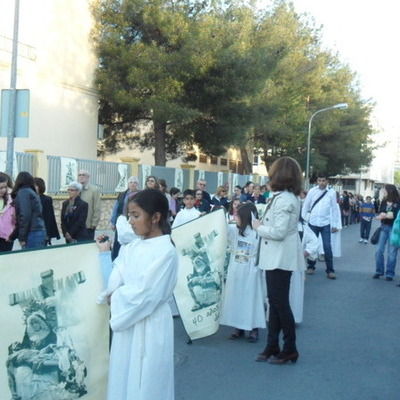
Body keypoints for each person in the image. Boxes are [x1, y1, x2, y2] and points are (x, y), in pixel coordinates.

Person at [96, 188, 178, 400]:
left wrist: (116, 297)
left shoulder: (165, 251)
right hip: (128, 323)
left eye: (136, 215)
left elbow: (147, 295)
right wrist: (105, 256)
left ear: (156, 217)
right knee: (123, 376)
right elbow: (117, 276)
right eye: (129, 215)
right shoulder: (132, 246)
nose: (130, 221)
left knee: (146, 382)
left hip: (150, 324)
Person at [252, 156, 305, 364]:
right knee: (274, 303)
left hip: (280, 256)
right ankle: (272, 345)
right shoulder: (284, 196)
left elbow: (278, 232)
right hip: (276, 256)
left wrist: (258, 227)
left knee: (280, 304)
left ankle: (290, 347)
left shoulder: (285, 199)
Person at [220, 203, 266, 343]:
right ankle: (238, 326)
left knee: (251, 299)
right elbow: (222, 230)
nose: (235, 217)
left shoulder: (257, 233)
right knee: (236, 297)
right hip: (236, 269)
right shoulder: (234, 230)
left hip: (251, 269)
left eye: (238, 215)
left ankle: (253, 328)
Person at [301, 173, 339, 279]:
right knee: (311, 245)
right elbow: (306, 206)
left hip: (325, 223)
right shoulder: (312, 192)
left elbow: (334, 209)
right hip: (312, 223)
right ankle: (311, 266)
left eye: (323, 180)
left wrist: (335, 224)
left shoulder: (331, 193)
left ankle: (330, 270)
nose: (321, 183)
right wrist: (303, 220)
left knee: (327, 247)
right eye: (319, 180)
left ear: (327, 181)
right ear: (317, 181)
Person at [11, 171, 46, 249]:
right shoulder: (33, 193)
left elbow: (25, 215)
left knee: (29, 259)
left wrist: (22, 237)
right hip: (39, 230)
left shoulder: (23, 192)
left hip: (31, 233)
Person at [373, 184, 400, 281]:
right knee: (379, 250)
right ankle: (379, 271)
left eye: (384, 190)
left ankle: (390, 273)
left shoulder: (398, 201)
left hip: (394, 229)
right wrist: (380, 216)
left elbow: (396, 215)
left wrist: (390, 215)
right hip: (384, 227)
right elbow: (381, 212)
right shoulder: (384, 201)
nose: (383, 191)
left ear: (389, 191)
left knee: (392, 252)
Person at [110, 176, 140, 260]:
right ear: (128, 184)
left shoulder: (140, 195)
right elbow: (116, 207)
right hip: (121, 220)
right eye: (131, 182)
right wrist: (113, 222)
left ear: (137, 185)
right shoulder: (122, 194)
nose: (133, 184)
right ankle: (115, 259)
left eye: (135, 183)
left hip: (133, 220)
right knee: (117, 241)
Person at [34, 177, 60, 245]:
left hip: (42, 230)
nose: (34, 188)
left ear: (40, 186)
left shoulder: (47, 199)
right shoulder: (29, 198)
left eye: (36, 186)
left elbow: (49, 218)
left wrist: (48, 234)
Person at [78, 170, 101, 240]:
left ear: (88, 177)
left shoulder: (94, 190)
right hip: (76, 225)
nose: (81, 177)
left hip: (88, 225)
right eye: (79, 175)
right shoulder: (76, 189)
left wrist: (94, 223)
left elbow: (97, 207)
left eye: (83, 175)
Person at [0, 174, 16, 252]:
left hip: (7, 237)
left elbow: (14, 219)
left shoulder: (11, 200)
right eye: (1, 188)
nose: (3, 190)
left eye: (5, 187)